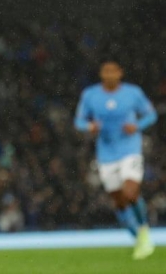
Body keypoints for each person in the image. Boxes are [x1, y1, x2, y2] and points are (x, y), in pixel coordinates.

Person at [74, 59, 158, 260]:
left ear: (120, 73)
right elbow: (78, 121)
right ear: (101, 74)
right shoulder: (90, 95)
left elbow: (151, 115)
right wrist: (89, 127)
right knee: (119, 201)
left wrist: (137, 126)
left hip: (130, 149)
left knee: (131, 192)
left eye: (113, 71)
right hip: (106, 154)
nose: (109, 74)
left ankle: (144, 230)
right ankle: (137, 237)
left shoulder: (133, 93)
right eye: (106, 71)